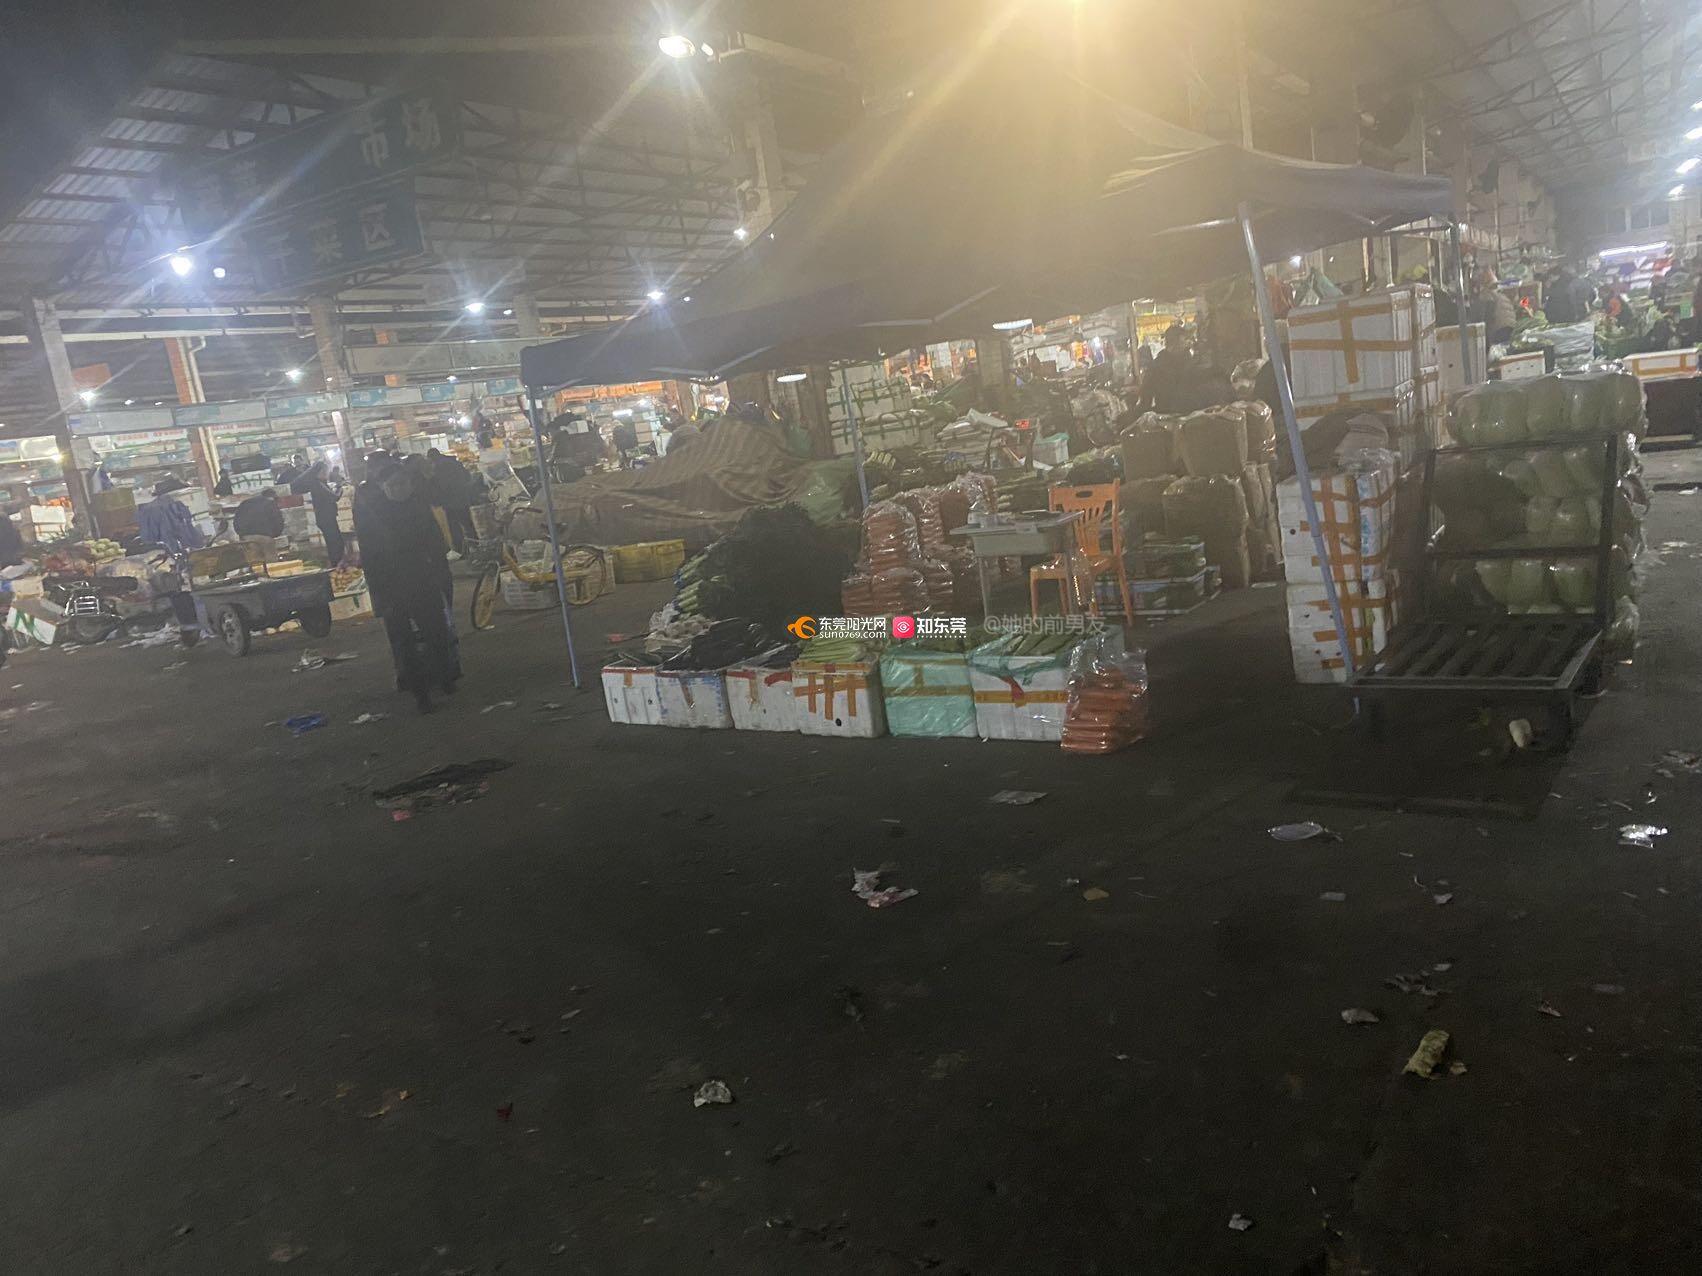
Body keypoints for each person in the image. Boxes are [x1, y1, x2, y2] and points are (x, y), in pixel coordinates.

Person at [353, 457, 457, 713]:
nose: (399, 489)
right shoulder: (373, 516)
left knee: (436, 633)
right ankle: (420, 695)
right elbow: (370, 557)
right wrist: (379, 594)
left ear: (410, 484)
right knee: (404, 643)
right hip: (392, 587)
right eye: (393, 485)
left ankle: (445, 677)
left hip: (423, 581)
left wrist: (439, 574)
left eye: (403, 484)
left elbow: (436, 544)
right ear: (383, 487)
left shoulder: (419, 506)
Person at [135, 477, 206, 646]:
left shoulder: (150, 510)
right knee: (198, 587)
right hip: (194, 552)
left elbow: (148, 537)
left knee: (179, 591)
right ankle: (201, 625)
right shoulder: (185, 502)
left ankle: (190, 628)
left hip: (169, 556)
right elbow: (195, 531)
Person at [1135, 324, 1196, 415]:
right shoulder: (1158, 365)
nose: (1187, 343)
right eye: (1184, 339)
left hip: (1191, 414)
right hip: (1167, 415)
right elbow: (1146, 394)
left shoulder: (1190, 362)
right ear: (1175, 342)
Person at [426, 448, 477, 554]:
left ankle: (461, 549)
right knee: (467, 523)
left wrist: (438, 499)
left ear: (432, 457)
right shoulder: (454, 462)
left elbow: (441, 486)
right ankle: (476, 544)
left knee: (454, 527)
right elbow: (467, 476)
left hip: (450, 501)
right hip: (462, 497)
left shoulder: (438, 467)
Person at [294, 461, 346, 565]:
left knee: (335, 541)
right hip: (326, 518)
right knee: (335, 542)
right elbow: (334, 497)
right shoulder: (317, 484)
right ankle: (336, 563)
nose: (327, 474)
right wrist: (340, 487)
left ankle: (337, 562)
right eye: (326, 471)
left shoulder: (321, 483)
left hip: (327, 517)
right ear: (320, 471)